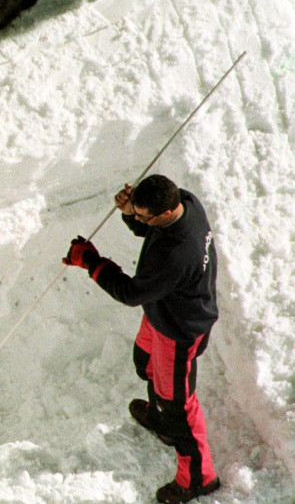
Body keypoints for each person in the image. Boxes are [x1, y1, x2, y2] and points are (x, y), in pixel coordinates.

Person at [62, 174, 221, 503]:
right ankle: (163, 421)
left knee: (179, 406)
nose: (139, 219)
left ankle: (199, 477)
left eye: (143, 215)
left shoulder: (177, 255)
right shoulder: (185, 201)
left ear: (163, 214)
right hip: (163, 312)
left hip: (179, 330)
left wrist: (90, 260)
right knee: (144, 361)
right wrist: (131, 212)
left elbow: (130, 292)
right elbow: (152, 233)